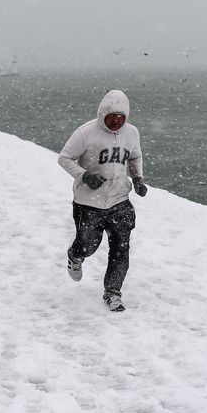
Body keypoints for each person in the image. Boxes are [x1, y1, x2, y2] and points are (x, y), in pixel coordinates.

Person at [58, 89, 147, 312]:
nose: (116, 122)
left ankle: (113, 293)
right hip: (89, 203)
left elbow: (135, 156)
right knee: (88, 245)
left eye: (121, 118)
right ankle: (75, 255)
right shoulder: (85, 133)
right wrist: (84, 175)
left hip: (119, 200)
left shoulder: (131, 133)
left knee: (121, 248)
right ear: (102, 115)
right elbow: (64, 158)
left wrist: (137, 179)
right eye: (111, 118)